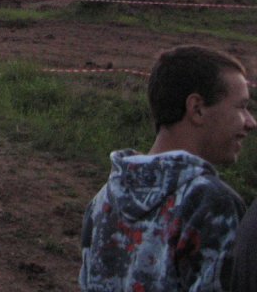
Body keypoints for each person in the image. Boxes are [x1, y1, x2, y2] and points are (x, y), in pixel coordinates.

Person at [80, 44, 256, 292]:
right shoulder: (211, 205)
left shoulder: (103, 201)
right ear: (197, 108)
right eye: (241, 107)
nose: (251, 122)